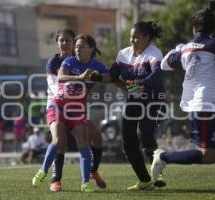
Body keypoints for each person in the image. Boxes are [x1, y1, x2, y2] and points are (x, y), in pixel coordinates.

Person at [153, 1, 215, 199]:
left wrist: (178, 49)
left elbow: (164, 64)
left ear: (193, 28)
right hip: (204, 105)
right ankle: (163, 156)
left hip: (211, 106)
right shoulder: (214, 45)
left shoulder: (185, 48)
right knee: (209, 156)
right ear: (213, 28)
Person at [32, 34, 109, 192]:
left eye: (81, 47)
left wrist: (100, 77)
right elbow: (60, 77)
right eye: (77, 47)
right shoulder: (68, 61)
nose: (77, 49)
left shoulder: (97, 66)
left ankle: (87, 181)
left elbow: (111, 77)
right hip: (58, 105)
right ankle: (44, 172)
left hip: (77, 110)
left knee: (88, 142)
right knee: (59, 140)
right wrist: (80, 77)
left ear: (91, 49)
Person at [107, 21, 167, 190]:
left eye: (136, 37)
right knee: (127, 140)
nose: (132, 40)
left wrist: (138, 86)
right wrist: (96, 76)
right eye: (131, 37)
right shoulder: (123, 54)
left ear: (147, 38)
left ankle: (158, 170)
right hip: (134, 100)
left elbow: (156, 76)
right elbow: (112, 75)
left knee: (145, 133)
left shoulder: (155, 53)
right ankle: (145, 180)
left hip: (154, 100)